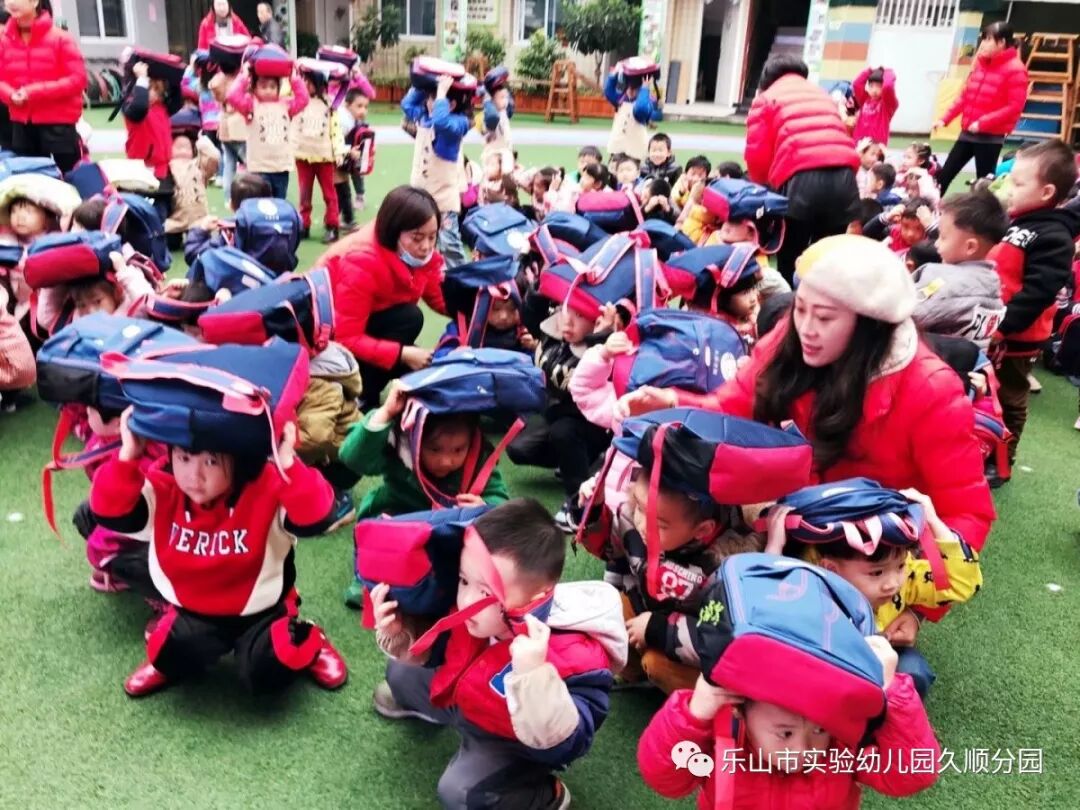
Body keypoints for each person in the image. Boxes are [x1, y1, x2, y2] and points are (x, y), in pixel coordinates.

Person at [619, 235, 996, 554]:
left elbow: (967, 514)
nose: (807, 328)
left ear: (869, 325)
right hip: (798, 517)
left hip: (873, 552)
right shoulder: (791, 336)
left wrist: (908, 595)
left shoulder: (931, 390)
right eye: (800, 308)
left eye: (826, 318)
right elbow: (736, 405)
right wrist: (674, 403)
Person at [369, 498, 626, 809]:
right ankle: (437, 712)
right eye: (464, 580)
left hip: (509, 740)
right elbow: (442, 647)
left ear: (534, 599)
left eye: (485, 591)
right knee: (400, 672)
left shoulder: (577, 654)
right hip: (464, 696)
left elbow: (573, 742)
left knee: (460, 793)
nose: (466, 600)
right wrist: (401, 632)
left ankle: (543, 795)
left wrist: (534, 679)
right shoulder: (478, 613)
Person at [90, 410, 348, 697]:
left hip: (261, 610)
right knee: (164, 652)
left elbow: (318, 516)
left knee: (268, 670)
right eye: (184, 458)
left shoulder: (267, 483)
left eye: (211, 461)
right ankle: (174, 656)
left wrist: (288, 463)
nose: (194, 476)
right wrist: (128, 456)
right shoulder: (164, 484)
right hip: (194, 610)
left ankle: (311, 639)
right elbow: (108, 512)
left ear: (240, 460)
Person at [338, 379, 510, 607]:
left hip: (446, 533)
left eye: (458, 449)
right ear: (414, 436)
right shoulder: (399, 444)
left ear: (472, 439)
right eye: (434, 449)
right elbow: (352, 458)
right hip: (400, 518)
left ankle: (448, 583)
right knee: (378, 539)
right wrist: (386, 412)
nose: (446, 460)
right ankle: (366, 579)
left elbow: (501, 501)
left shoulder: (479, 457)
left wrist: (485, 505)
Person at [986, 138, 1080, 483]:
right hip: (992, 326)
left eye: (1018, 183)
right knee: (985, 391)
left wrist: (1004, 327)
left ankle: (1002, 461)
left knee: (1010, 396)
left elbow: (1038, 293)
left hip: (1018, 335)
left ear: (1046, 192)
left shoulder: (1054, 235)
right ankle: (981, 445)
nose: (1008, 188)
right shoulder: (1016, 222)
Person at [324, 185, 447, 411]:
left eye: (433, 236)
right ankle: (360, 395)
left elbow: (436, 294)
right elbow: (344, 337)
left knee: (426, 368)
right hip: (326, 341)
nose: (427, 246)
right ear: (394, 231)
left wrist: (477, 308)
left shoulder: (411, 252)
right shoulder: (361, 260)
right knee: (410, 318)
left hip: (371, 326)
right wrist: (402, 353)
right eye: (417, 238)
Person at [744, 56, 860, 284]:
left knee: (790, 257)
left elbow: (757, 156)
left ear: (767, 77)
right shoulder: (822, 95)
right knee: (827, 260)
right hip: (845, 179)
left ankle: (790, 304)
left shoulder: (766, 99)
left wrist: (764, 190)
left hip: (801, 180)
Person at [934, 21, 1028, 195]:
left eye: (989, 39)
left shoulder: (1016, 70)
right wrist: (945, 119)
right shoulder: (981, 64)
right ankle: (928, 207)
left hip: (990, 139)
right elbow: (965, 96)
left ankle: (982, 212)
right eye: (983, 39)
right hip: (967, 134)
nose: (983, 44)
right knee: (944, 176)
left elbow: (1014, 107)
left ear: (1002, 42)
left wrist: (983, 123)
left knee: (984, 184)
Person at [0, 0, 87, 174]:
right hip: (22, 125)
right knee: (28, 181)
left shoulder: (61, 39)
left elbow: (78, 79)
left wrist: (33, 92)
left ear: (34, 2)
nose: (11, 2)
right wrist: (10, 95)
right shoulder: (4, 42)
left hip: (58, 127)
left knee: (70, 179)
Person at [913, 190, 1008, 349]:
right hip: (967, 361)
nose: (936, 243)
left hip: (933, 358)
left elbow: (906, 314)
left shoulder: (948, 282)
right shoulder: (992, 283)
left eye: (943, 237)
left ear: (970, 247)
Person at [402, 73, 471, 269]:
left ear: (452, 105)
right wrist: (422, 85)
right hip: (421, 197)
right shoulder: (425, 118)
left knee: (449, 244)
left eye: (435, 99)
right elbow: (407, 105)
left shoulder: (458, 124)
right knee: (417, 240)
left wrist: (441, 93)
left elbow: (442, 123)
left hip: (443, 200)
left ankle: (461, 279)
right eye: (430, 98)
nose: (429, 103)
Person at [227, 58, 309, 200]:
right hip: (259, 168)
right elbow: (232, 96)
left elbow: (303, 99)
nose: (268, 90)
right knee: (261, 204)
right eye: (263, 87)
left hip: (281, 167)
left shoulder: (286, 105)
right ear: (254, 88)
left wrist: (294, 79)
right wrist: (244, 76)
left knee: (279, 203)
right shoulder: (251, 105)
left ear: (278, 88)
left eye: (272, 86)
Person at [293, 65, 345, 243]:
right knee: (304, 194)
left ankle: (332, 225)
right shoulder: (298, 101)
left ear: (319, 83)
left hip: (324, 156)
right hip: (303, 155)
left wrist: (339, 151)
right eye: (303, 80)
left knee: (329, 194)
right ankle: (304, 224)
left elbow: (335, 129)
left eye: (309, 81)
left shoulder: (329, 104)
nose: (304, 84)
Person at [852, 66, 898, 145]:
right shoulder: (864, 100)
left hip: (877, 145)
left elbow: (888, 86)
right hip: (859, 143)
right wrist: (869, 71)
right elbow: (856, 84)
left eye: (879, 86)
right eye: (871, 86)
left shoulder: (888, 104)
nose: (874, 90)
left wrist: (887, 71)